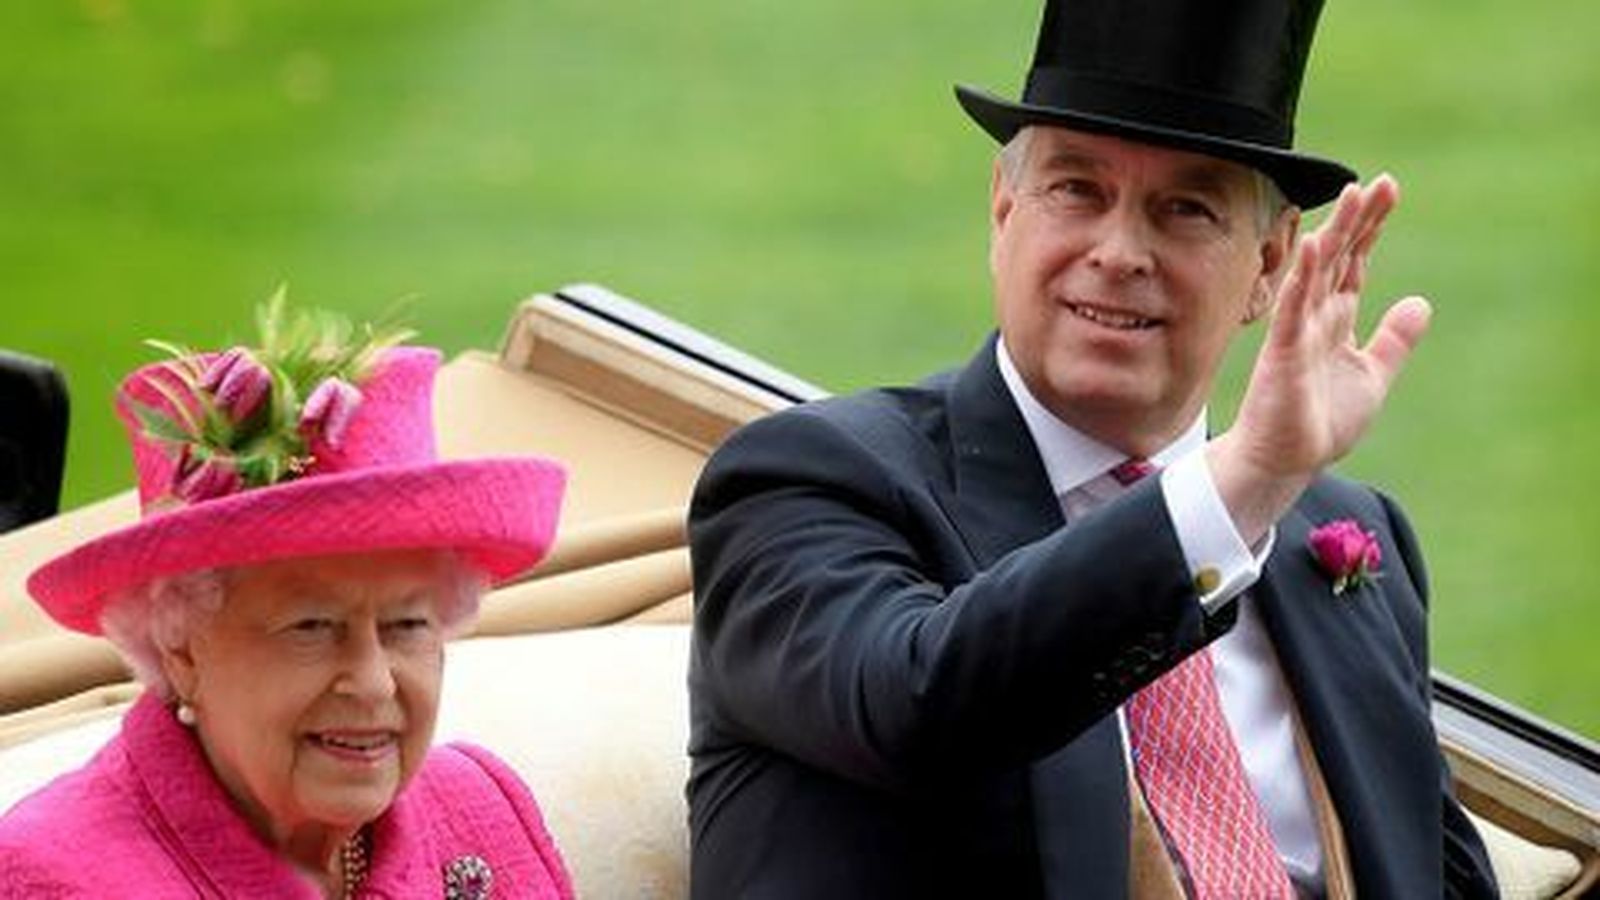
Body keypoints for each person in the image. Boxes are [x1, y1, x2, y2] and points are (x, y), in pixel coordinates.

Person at [686, 1, 1499, 897]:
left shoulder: (1341, 537)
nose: (1120, 252)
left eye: (1186, 209)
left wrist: (1256, 493)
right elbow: (921, 703)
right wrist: (1237, 490)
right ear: (1003, 210)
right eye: (1077, 190)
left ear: (1269, 265)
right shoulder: (805, 481)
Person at [0, 302, 573, 898]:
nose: (373, 683)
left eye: (407, 625)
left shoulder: (478, 803)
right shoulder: (51, 877)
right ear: (182, 649)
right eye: (313, 626)